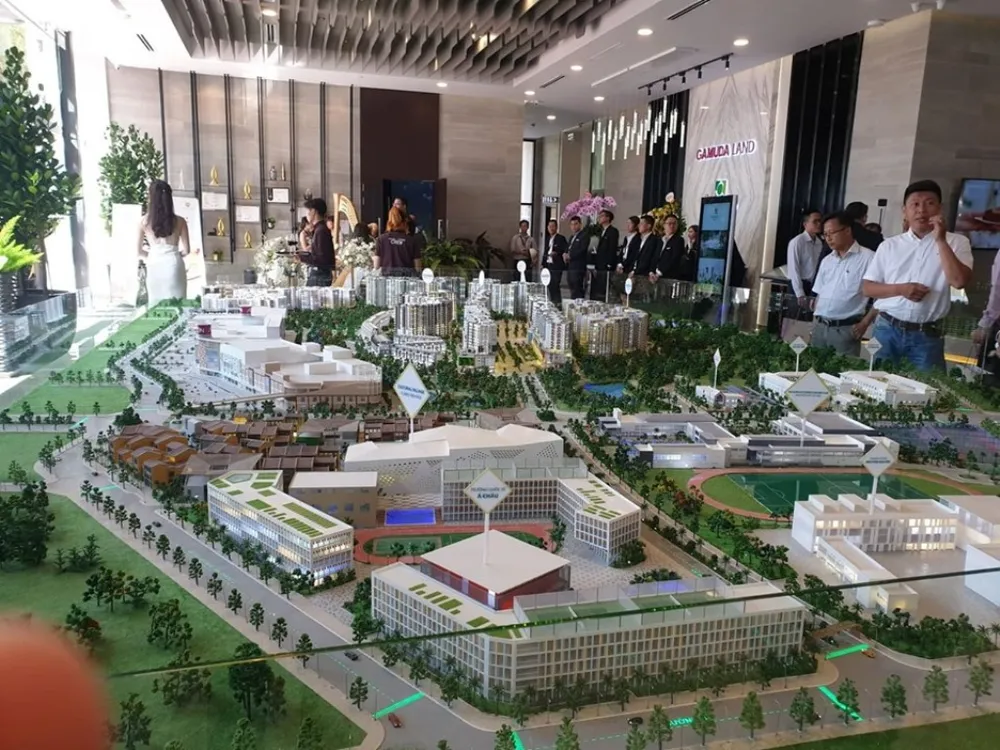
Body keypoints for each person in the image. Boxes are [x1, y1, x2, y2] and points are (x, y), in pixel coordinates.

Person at [862, 179, 974, 372]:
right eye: (915, 204)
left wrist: (940, 240)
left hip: (927, 335)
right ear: (904, 211)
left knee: (927, 387)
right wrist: (901, 289)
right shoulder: (889, 245)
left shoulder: (957, 242)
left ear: (940, 208)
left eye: (929, 203)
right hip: (886, 330)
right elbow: (868, 288)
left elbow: (959, 281)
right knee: (876, 382)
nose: (921, 210)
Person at [810, 212, 878, 356]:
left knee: (842, 369)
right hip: (820, 327)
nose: (828, 238)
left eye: (831, 233)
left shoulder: (869, 258)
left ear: (847, 230)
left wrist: (865, 323)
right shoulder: (827, 260)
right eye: (825, 234)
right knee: (813, 367)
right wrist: (815, 321)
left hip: (846, 329)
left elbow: (881, 298)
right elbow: (819, 294)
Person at [137, 179, 192, 305]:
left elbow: (138, 252)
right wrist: (175, 254)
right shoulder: (180, 221)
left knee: (156, 305)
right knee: (178, 305)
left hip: (154, 264)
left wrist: (153, 255)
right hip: (174, 264)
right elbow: (187, 250)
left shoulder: (143, 222)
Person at [786, 208, 824, 316]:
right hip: (798, 285)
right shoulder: (797, 242)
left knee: (808, 318)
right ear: (805, 224)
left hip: (813, 286)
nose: (819, 224)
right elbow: (794, 269)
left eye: (820, 221)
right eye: (815, 221)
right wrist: (800, 293)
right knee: (795, 318)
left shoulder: (819, 243)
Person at [298, 198, 335, 286]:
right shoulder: (320, 228)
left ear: (313, 211)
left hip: (320, 275)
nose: (306, 215)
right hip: (320, 274)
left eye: (307, 211)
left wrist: (300, 257)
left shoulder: (321, 230)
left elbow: (321, 259)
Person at [374, 207, 422, 275]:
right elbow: (418, 268)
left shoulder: (381, 239)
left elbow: (376, 266)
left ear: (389, 221)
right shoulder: (412, 240)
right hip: (406, 279)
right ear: (405, 221)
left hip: (386, 279)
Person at [591, 209, 619, 300]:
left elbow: (612, 249)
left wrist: (609, 264)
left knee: (604, 288)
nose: (599, 218)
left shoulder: (613, 231)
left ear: (608, 218)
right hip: (598, 264)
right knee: (597, 289)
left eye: (602, 216)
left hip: (606, 265)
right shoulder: (600, 231)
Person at [633, 215, 663, 291]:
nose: (638, 225)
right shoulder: (638, 239)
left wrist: (636, 271)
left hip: (645, 275)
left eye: (641, 223)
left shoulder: (654, 240)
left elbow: (650, 258)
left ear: (649, 226)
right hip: (636, 273)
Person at [652, 214, 684, 285]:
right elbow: (654, 257)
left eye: (674, 224)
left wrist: (659, 273)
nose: (672, 226)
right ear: (664, 225)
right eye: (669, 223)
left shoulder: (679, 240)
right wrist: (651, 272)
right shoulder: (659, 240)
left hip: (668, 277)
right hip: (654, 275)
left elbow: (674, 259)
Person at [544, 218, 567, 305]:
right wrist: (543, 263)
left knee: (555, 284)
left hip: (556, 265)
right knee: (549, 284)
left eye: (553, 226)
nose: (551, 228)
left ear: (556, 227)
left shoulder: (561, 238)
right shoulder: (547, 239)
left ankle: (558, 302)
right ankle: (552, 301)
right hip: (548, 264)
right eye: (549, 226)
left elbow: (564, 250)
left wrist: (556, 253)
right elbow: (545, 251)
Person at [566, 216, 588, 299]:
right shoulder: (572, 237)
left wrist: (570, 255)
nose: (574, 226)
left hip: (578, 267)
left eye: (576, 224)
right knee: (571, 287)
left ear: (580, 224)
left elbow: (582, 250)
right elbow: (568, 248)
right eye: (572, 224)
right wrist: (565, 254)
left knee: (577, 289)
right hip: (570, 266)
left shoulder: (584, 236)